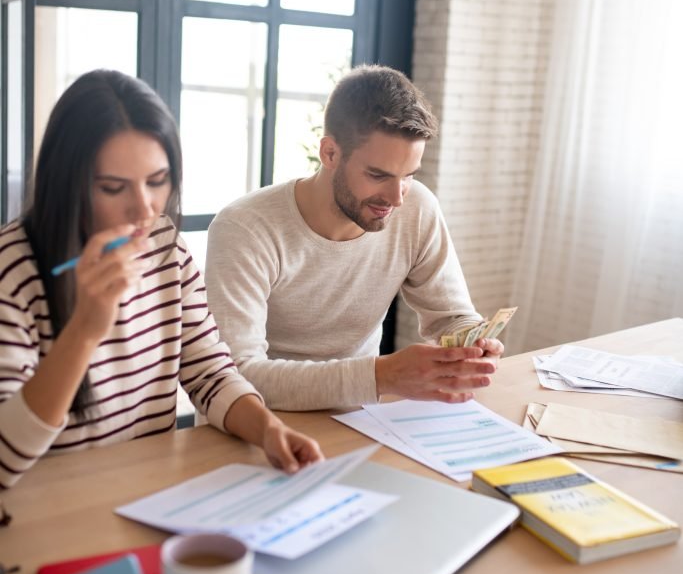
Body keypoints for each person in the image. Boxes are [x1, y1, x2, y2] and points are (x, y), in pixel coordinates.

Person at [0, 69, 322, 490]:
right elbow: (5, 455)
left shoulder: (164, 244)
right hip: (52, 511)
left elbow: (208, 371)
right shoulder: (13, 269)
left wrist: (266, 429)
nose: (144, 209)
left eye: (157, 181)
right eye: (114, 188)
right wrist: (83, 330)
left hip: (146, 494)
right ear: (67, 183)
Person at [205, 64, 504, 412]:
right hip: (257, 423)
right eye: (378, 175)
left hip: (360, 420)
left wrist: (475, 343)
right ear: (330, 153)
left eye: (408, 175)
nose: (397, 198)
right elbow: (234, 376)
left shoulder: (416, 208)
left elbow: (452, 317)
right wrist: (381, 376)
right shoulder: (245, 229)